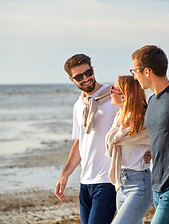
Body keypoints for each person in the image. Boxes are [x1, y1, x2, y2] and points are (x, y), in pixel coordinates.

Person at [130, 45, 169, 224]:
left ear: (147, 71)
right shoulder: (152, 101)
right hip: (157, 185)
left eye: (135, 71)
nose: (134, 76)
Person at [55, 54, 117, 223]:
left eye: (88, 72)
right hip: (86, 182)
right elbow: (80, 142)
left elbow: (137, 126)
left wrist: (147, 151)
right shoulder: (78, 106)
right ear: (71, 79)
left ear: (93, 70)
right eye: (79, 77)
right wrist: (64, 175)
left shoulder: (115, 96)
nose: (86, 79)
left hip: (108, 181)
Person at [105, 75, 152, 224]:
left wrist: (154, 151)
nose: (110, 92)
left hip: (139, 184)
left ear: (124, 97)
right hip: (122, 183)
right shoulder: (119, 118)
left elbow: (161, 137)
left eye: (113, 89)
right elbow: (113, 139)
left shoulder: (142, 119)